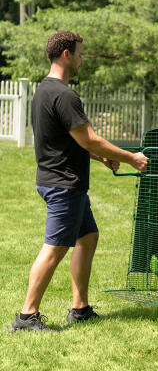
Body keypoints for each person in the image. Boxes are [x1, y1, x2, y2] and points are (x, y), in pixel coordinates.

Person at [9, 31, 148, 332]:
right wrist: (130, 158)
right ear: (66, 54)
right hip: (63, 185)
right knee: (55, 248)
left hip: (59, 180)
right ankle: (26, 316)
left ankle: (80, 308)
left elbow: (68, 140)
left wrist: (100, 158)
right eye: (80, 53)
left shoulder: (44, 91)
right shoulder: (64, 94)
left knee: (88, 238)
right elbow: (89, 138)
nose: (83, 59)